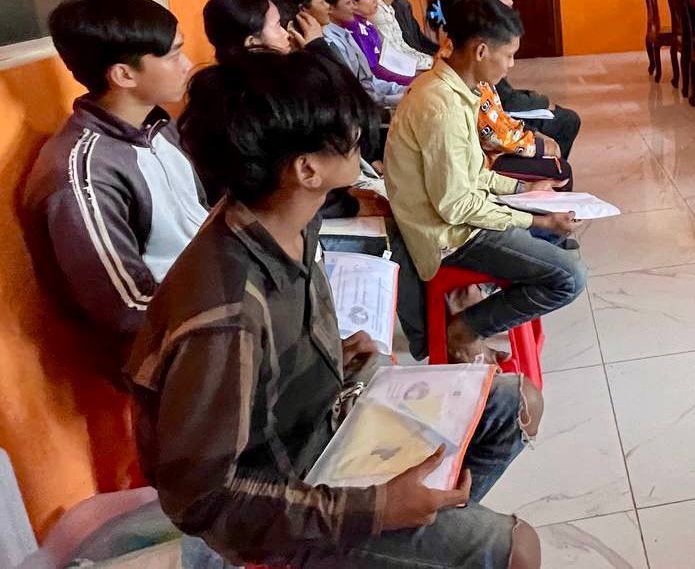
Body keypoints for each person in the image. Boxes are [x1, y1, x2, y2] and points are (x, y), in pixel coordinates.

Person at [130, 51, 543, 568]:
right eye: (347, 133)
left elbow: (268, 367)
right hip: (284, 500)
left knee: (515, 403)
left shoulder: (285, 218)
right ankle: (412, 541)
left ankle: (421, 540)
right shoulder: (227, 314)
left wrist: (326, 356)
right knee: (516, 549)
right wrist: (372, 509)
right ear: (306, 169)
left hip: (322, 423)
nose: (360, 138)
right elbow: (203, 501)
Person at [385, 0, 587, 365]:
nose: (511, 65)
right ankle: (464, 330)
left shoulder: (457, 91)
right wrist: (536, 220)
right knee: (569, 276)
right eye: (508, 55)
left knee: (560, 246)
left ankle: (475, 316)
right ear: (481, 51)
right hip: (450, 238)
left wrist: (524, 189)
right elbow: (456, 206)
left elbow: (475, 174)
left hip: (460, 220)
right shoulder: (440, 106)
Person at [24, 0, 204, 372]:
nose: (187, 64)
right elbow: (127, 309)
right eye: (173, 55)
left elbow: (200, 215)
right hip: (172, 350)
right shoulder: (82, 174)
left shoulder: (157, 126)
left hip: (210, 297)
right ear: (124, 75)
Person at [464, 0, 583, 159]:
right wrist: (535, 142)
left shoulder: (478, 63)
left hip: (502, 129)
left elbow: (497, 109)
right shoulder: (475, 63)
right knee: (566, 122)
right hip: (495, 150)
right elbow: (495, 125)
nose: (510, 1)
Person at [319, 0, 406, 109]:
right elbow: (355, 89)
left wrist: (403, 89)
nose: (354, 7)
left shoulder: (345, 33)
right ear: (330, 8)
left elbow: (370, 81)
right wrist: (393, 99)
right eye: (348, 3)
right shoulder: (331, 42)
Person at [203, 0, 332, 63]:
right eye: (277, 25)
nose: (286, 34)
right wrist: (318, 47)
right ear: (252, 42)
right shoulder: (282, 84)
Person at [338, 0, 415, 87]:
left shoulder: (367, 25)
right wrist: (411, 80)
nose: (375, 0)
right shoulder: (356, 31)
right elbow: (376, 70)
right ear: (354, 3)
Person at [364, 0, 434, 72]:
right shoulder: (377, 13)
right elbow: (394, 54)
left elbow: (403, 45)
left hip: (411, 65)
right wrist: (429, 62)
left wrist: (430, 60)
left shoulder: (389, 8)